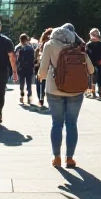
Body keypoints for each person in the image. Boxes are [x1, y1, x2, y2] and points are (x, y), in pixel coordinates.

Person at [38, 23, 95, 168]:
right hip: (76, 90)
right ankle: (69, 158)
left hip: (54, 89)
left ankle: (56, 157)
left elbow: (43, 71)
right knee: (72, 123)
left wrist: (40, 77)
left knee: (57, 123)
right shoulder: (77, 46)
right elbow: (91, 69)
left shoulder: (49, 45)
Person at [85, 29, 101, 99]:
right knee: (99, 76)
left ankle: (93, 91)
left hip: (91, 62)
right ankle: (100, 92)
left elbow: (85, 54)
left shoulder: (88, 44)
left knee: (91, 76)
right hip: (99, 62)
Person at [15, 34, 35, 105]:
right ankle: (29, 97)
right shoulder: (30, 48)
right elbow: (33, 59)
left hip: (21, 68)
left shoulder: (17, 48)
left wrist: (16, 68)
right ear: (26, 39)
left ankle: (22, 96)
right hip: (29, 68)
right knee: (29, 83)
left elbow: (16, 60)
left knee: (21, 83)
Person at [35, 28, 52, 108]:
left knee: (40, 82)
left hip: (42, 66)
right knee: (47, 84)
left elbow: (38, 56)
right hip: (52, 67)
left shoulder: (42, 44)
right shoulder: (54, 43)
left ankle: (41, 99)